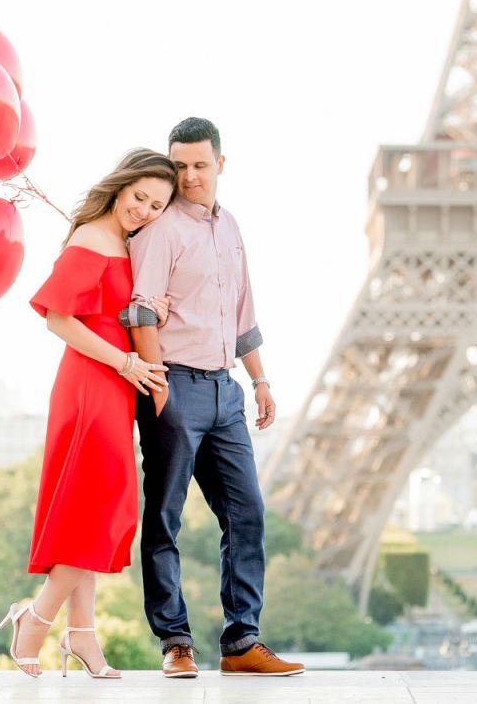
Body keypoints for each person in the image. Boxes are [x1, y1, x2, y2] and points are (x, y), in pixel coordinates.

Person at [120, 117, 304, 678]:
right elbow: (141, 310)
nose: (190, 176)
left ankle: (242, 640)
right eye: (180, 166)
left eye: (201, 165)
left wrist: (261, 380)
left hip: (226, 391)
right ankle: (175, 641)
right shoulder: (160, 229)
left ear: (221, 165)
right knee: (166, 520)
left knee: (247, 514)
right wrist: (158, 386)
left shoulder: (231, 229)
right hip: (174, 385)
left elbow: (242, 314)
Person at [0, 149, 176, 678]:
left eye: (156, 205)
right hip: (93, 384)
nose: (144, 210)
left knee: (89, 511)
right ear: (119, 188)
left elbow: (114, 310)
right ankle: (37, 616)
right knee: (103, 508)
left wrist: (147, 317)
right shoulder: (91, 239)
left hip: (113, 384)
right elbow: (58, 318)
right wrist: (125, 361)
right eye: (139, 197)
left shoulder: (120, 243)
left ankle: (83, 637)